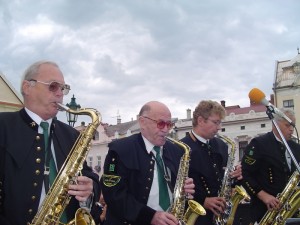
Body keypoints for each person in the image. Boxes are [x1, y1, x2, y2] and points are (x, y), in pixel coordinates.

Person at [0, 60, 100, 225]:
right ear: (27, 87)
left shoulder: (71, 134)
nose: (60, 93)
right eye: (53, 86)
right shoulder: (3, 127)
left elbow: (89, 176)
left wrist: (91, 188)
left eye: (63, 88)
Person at [101, 101, 195, 225]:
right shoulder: (119, 150)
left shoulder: (176, 150)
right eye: (161, 124)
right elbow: (113, 194)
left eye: (169, 124)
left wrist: (184, 190)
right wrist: (150, 216)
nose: (166, 130)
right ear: (142, 122)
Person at [180, 100, 243, 225]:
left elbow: (223, 178)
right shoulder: (182, 148)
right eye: (216, 122)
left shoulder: (221, 145)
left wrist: (235, 177)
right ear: (200, 120)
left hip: (220, 213)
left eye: (220, 123)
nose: (219, 127)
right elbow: (177, 186)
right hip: (197, 217)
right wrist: (203, 200)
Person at [241, 108, 300, 224]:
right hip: (264, 211)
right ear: (275, 124)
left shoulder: (296, 147)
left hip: (290, 211)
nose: (291, 129)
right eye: (287, 125)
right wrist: (263, 195)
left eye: (293, 125)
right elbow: (245, 174)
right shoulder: (259, 144)